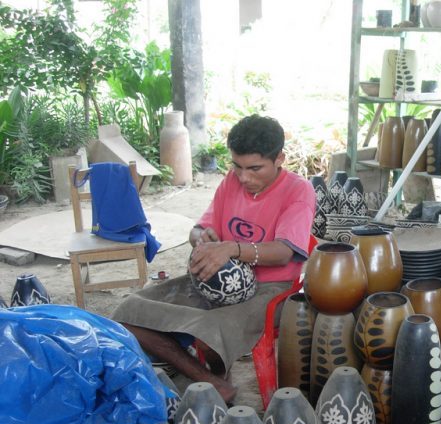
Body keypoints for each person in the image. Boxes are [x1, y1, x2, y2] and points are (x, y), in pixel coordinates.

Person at [114, 115, 315, 404]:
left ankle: (205, 376)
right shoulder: (231, 182)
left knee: (208, 330)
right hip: (214, 277)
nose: (244, 177)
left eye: (255, 168)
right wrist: (201, 239)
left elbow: (285, 251)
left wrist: (232, 248)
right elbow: (199, 228)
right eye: (238, 166)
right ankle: (208, 378)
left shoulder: (298, 190)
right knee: (129, 312)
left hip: (270, 290)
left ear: (279, 158)